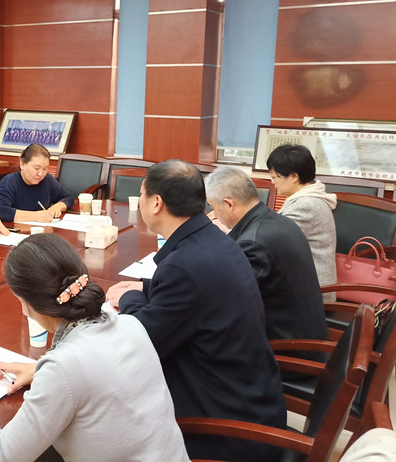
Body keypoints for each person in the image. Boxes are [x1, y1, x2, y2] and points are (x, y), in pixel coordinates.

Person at [0, 233, 189, 462]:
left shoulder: (63, 369)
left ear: (29, 303)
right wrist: (38, 371)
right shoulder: (128, 323)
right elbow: (97, 372)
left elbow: (0, 454)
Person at [105, 160, 286, 462]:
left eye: (142, 194)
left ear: (156, 203)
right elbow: (198, 293)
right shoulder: (214, 239)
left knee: (105, 419)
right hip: (253, 399)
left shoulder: (184, 266)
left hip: (224, 426)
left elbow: (141, 341)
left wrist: (129, 299)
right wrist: (145, 288)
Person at [204, 166, 327, 343]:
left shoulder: (253, 243)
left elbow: (227, 300)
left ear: (229, 204)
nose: (214, 214)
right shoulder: (277, 221)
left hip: (288, 347)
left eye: (214, 208)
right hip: (306, 331)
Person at [267, 144, 337, 301]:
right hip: (303, 282)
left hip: (312, 294)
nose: (273, 183)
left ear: (293, 177)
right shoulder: (307, 197)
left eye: (275, 177)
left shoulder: (307, 205)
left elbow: (271, 239)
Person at [0, 143, 74, 223]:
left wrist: (57, 207)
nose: (40, 174)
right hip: (17, 230)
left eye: (45, 169)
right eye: (36, 168)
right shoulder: (10, 181)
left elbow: (68, 198)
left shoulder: (47, 180)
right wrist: (35, 216)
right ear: (22, 164)